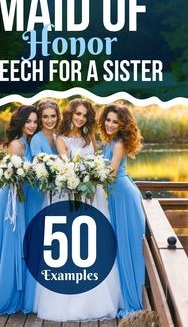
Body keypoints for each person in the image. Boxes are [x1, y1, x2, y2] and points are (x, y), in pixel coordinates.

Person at [33, 99, 123, 322]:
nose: (81, 118)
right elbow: (66, 169)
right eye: (77, 114)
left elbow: (98, 162)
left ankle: (95, 300)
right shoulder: (61, 140)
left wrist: (94, 178)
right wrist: (83, 179)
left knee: (93, 244)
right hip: (71, 194)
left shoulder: (90, 138)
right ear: (71, 114)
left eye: (84, 115)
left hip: (94, 195)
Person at [0, 105, 38, 314]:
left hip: (17, 198)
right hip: (9, 200)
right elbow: (16, 178)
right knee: (10, 246)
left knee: (14, 245)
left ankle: (8, 294)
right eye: (28, 121)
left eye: (34, 121)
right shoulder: (17, 144)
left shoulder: (28, 142)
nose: (32, 125)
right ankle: (7, 298)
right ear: (20, 122)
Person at [99, 104, 145, 318]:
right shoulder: (109, 142)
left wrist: (82, 175)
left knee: (128, 248)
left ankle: (133, 302)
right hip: (117, 199)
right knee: (120, 246)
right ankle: (124, 296)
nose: (110, 124)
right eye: (107, 120)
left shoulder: (118, 144)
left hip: (125, 198)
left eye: (115, 121)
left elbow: (109, 174)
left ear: (122, 125)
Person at [23, 99, 61, 313]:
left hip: (54, 193)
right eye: (45, 117)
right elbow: (42, 170)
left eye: (52, 116)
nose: (49, 120)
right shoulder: (37, 139)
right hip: (38, 194)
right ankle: (33, 299)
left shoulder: (57, 137)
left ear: (58, 116)